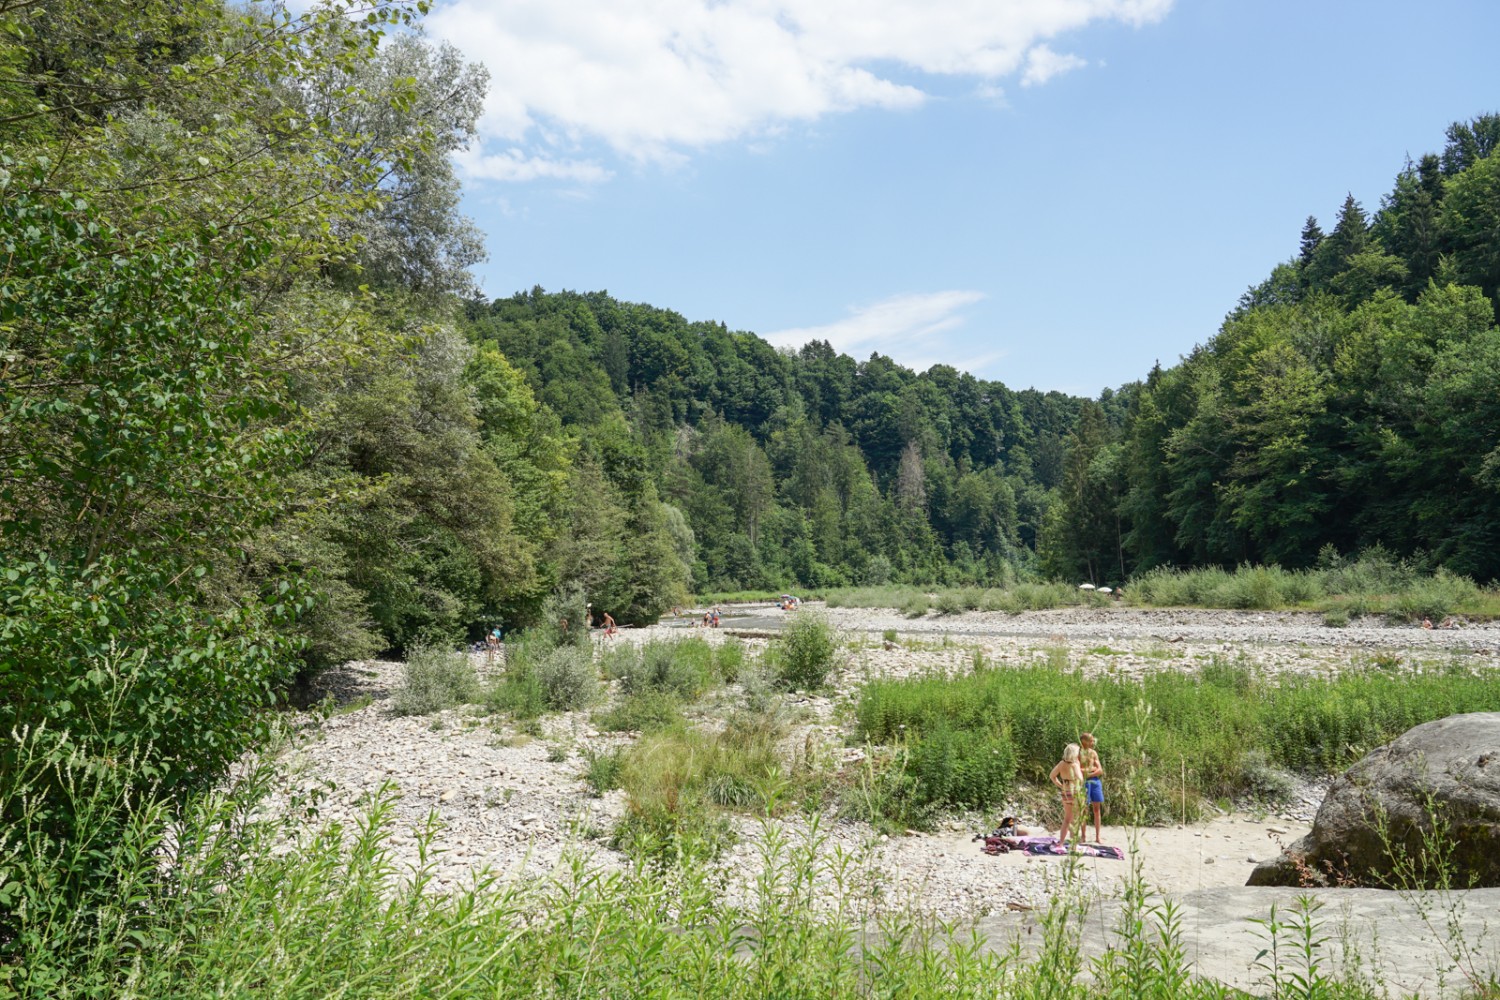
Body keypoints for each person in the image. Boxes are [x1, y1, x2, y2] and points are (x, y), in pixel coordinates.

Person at [1049, 743, 1084, 844]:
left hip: (1065, 791)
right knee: (1075, 819)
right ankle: (1073, 844)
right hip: (1075, 792)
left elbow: (1052, 776)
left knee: (1067, 819)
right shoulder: (1074, 765)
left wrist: (1060, 785)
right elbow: (1080, 779)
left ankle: (1061, 842)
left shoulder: (1061, 764)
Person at [1080, 732, 1105, 843]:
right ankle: (1083, 836)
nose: (1093, 742)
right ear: (1084, 741)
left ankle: (1098, 837)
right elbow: (1077, 769)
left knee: (1097, 809)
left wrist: (1089, 773)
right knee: (1084, 809)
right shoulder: (1078, 753)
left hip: (1095, 781)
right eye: (1091, 741)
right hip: (1083, 782)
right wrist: (1092, 770)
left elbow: (1100, 770)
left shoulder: (1093, 753)